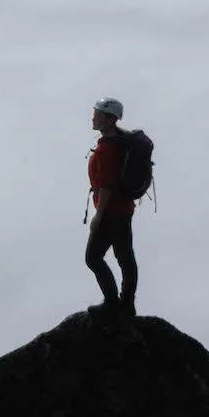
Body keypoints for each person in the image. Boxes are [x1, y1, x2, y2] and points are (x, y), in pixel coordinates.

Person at [84, 97, 138, 318]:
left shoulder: (108, 149)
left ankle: (112, 303)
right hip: (124, 209)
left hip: (111, 213)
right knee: (125, 257)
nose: (93, 118)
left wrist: (98, 216)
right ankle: (126, 305)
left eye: (97, 115)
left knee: (93, 258)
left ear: (108, 119)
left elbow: (106, 186)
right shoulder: (119, 140)